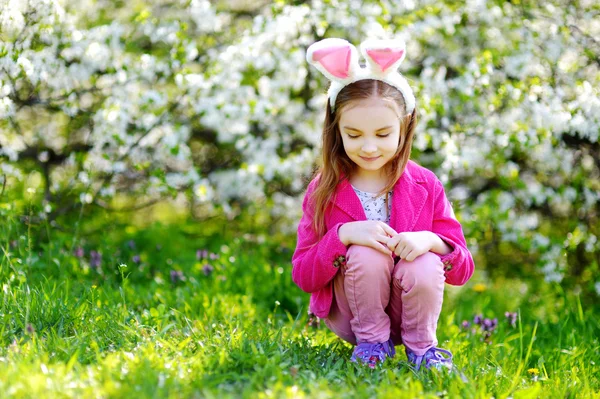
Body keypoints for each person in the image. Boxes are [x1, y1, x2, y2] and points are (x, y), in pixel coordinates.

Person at [292, 38, 475, 371]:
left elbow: (463, 268)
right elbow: (303, 275)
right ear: (337, 131)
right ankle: (372, 346)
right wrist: (343, 234)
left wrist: (431, 242)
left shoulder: (425, 184)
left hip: (408, 309)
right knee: (366, 251)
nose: (369, 147)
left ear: (404, 127)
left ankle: (422, 350)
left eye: (382, 133)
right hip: (354, 313)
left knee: (423, 261)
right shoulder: (324, 190)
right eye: (354, 134)